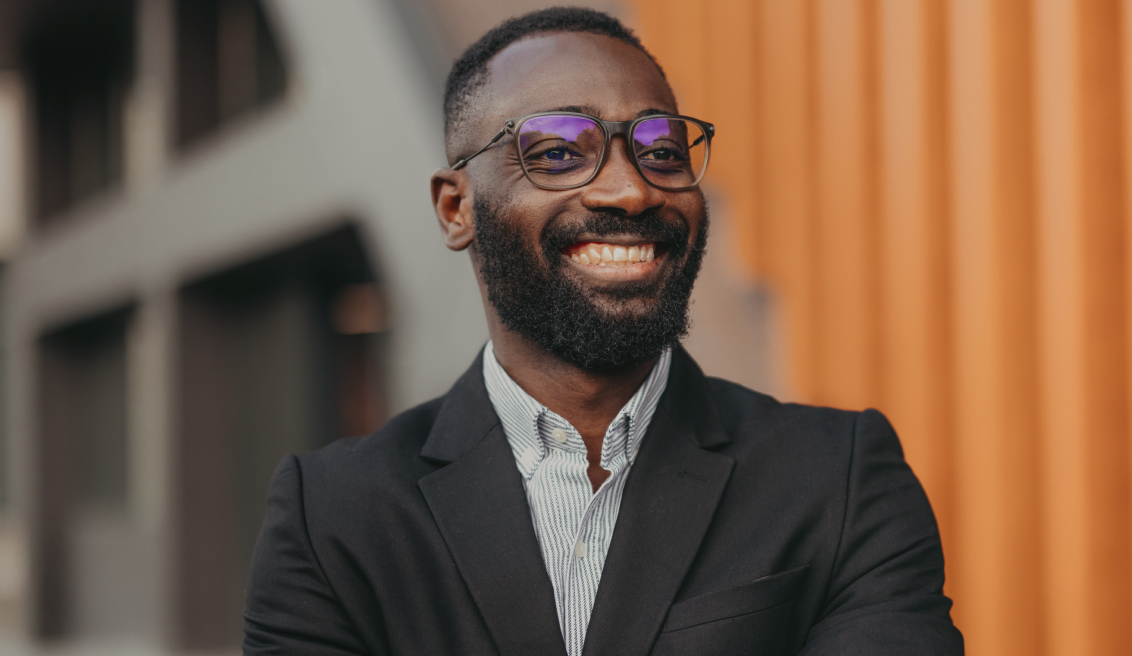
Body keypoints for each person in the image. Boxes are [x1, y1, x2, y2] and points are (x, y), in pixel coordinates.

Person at [240, 7, 960, 656]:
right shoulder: (334, 514)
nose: (632, 189)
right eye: (557, 152)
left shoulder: (838, 479)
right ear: (456, 207)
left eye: (663, 150)